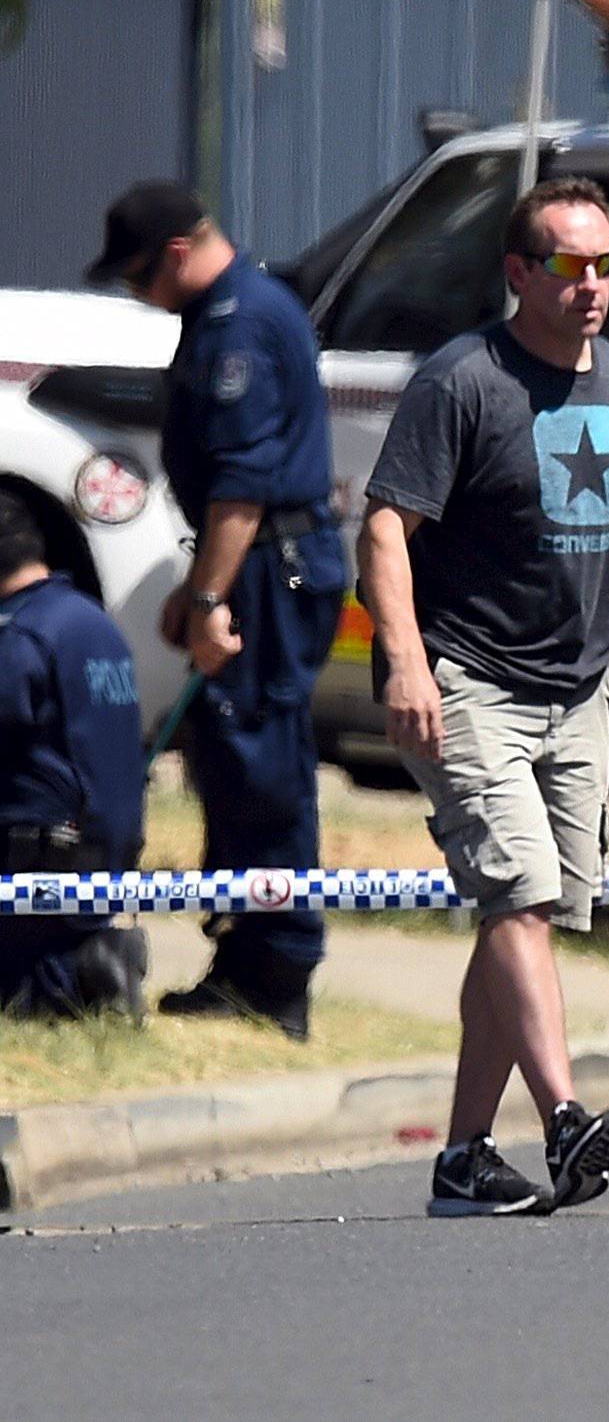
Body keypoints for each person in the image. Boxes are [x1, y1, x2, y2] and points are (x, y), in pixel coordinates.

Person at [357, 177, 609, 1217]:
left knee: (523, 918)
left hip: (580, 693)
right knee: (518, 894)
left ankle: (465, 1157)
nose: (593, 286)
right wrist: (401, 661)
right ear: (519, 273)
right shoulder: (464, 380)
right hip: (471, 681)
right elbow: (387, 524)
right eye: (569, 265)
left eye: (606, 264)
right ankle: (566, 1118)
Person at [86, 181, 346, 1041]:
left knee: (264, 761)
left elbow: (242, 485)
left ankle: (279, 970)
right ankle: (242, 959)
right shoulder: (224, 313)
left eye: (134, 278)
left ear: (171, 255)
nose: (134, 295)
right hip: (257, 563)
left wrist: (206, 598)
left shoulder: (239, 323)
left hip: (275, 566)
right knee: (233, 762)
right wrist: (195, 594)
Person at [0, 489, 149, 1018]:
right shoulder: (93, 623)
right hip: (99, 867)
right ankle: (95, 964)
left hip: (35, 881)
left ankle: (81, 974)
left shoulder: (19, 638)